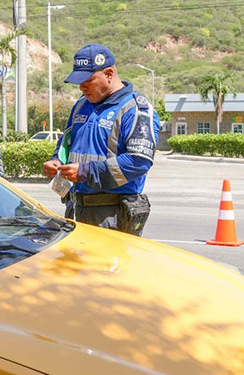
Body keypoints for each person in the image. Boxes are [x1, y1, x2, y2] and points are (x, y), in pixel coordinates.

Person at [42, 44, 160, 236]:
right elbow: (67, 141)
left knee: (108, 267)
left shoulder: (134, 109)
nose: (82, 87)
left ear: (109, 74)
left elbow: (139, 161)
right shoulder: (81, 105)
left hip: (112, 214)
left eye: (88, 80)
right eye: (79, 82)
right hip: (76, 208)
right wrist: (57, 161)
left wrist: (87, 171)